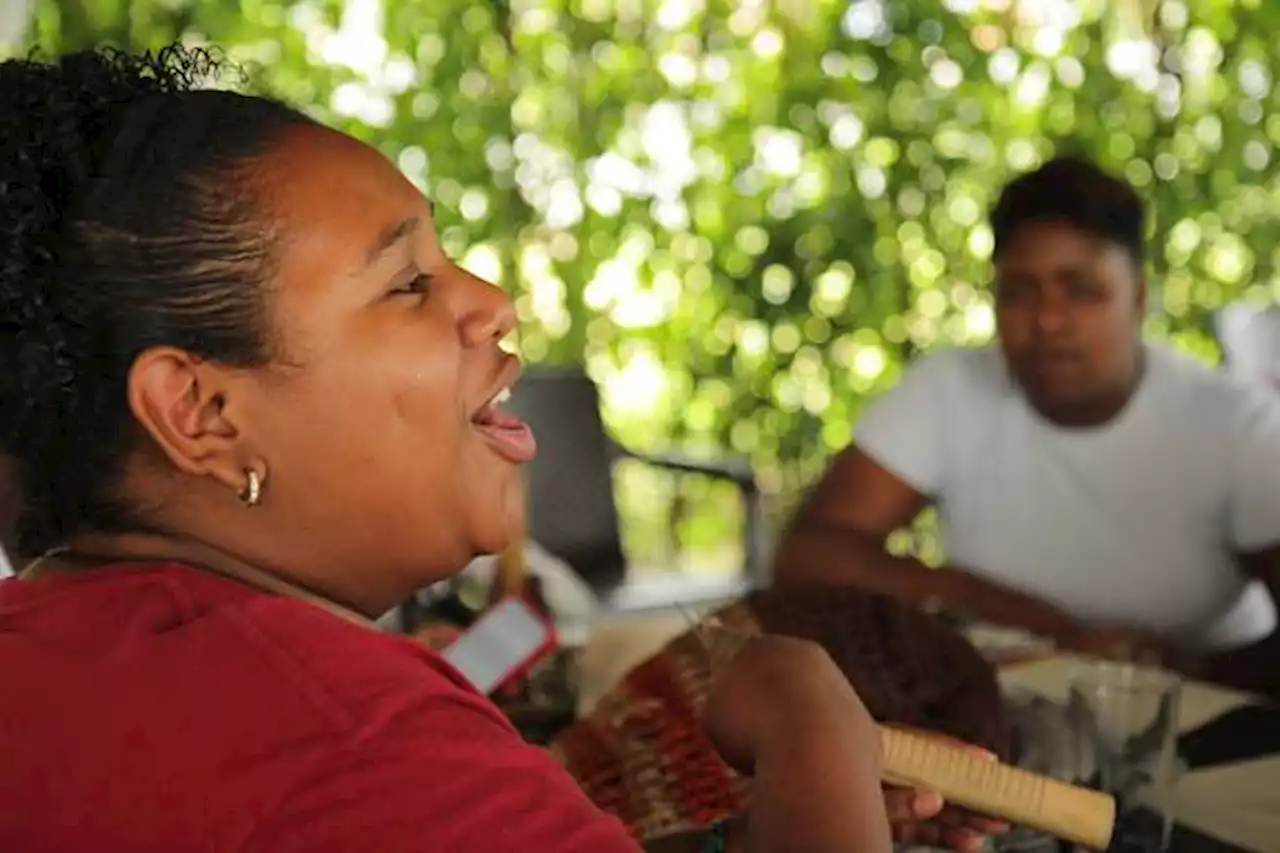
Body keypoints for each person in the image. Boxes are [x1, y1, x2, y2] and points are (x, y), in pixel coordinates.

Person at [0, 46, 1002, 853]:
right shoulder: (360, 741)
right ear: (201, 412)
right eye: (405, 283)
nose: (490, 302)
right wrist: (810, 724)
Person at [776, 157, 1280, 693]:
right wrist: (1025, 619)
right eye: (1019, 292)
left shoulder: (1235, 424)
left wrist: (1171, 673)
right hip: (1004, 714)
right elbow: (810, 555)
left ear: (1137, 299)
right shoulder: (950, 390)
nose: (1048, 321)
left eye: (1080, 289)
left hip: (1212, 730)